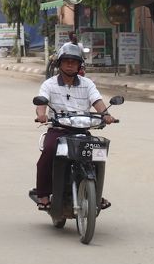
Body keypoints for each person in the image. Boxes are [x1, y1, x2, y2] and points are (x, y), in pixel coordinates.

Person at [34, 43, 115, 210]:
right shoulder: (49, 84)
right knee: (48, 152)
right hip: (58, 130)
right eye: (66, 61)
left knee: (98, 155)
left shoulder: (87, 83)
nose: (70, 65)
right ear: (59, 64)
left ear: (80, 65)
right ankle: (42, 194)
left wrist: (105, 114)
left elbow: (97, 101)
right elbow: (41, 101)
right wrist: (41, 115)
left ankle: (96, 195)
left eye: (74, 61)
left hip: (82, 130)